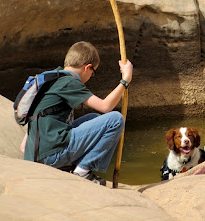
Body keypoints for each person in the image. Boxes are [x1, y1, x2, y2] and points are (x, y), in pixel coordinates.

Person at [20, 41, 133, 185]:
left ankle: (76, 166)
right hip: (50, 156)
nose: (91, 76)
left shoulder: (51, 78)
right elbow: (105, 106)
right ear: (87, 67)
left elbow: (27, 138)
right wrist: (125, 80)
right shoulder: (69, 82)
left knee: (92, 118)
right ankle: (83, 171)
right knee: (115, 120)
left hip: (34, 154)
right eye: (93, 72)